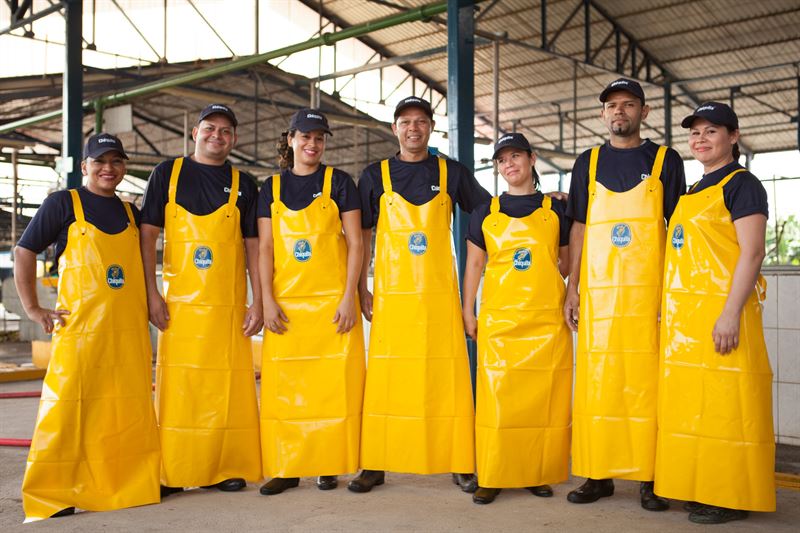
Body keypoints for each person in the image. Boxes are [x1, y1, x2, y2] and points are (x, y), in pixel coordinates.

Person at [349, 96, 490, 493]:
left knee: (446, 379)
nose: (414, 128)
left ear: (431, 127)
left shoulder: (451, 172)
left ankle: (459, 462)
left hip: (438, 298)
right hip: (392, 299)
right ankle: (375, 463)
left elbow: (488, 211)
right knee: (387, 380)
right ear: (394, 128)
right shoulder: (374, 175)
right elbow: (360, 236)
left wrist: (543, 200)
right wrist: (361, 288)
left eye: (421, 121)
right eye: (406, 121)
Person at [16, 134, 160, 521]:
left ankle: (127, 484)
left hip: (127, 333)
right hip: (79, 332)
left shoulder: (131, 213)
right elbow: (24, 250)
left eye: (116, 161)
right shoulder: (63, 204)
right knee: (67, 410)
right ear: (84, 167)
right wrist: (33, 307)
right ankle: (54, 493)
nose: (108, 168)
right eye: (99, 161)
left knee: (123, 411)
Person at [563, 78, 685, 510]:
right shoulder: (588, 162)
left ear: (644, 112)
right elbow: (578, 227)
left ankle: (651, 478)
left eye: (629, 104)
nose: (620, 111)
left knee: (646, 385)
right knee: (599, 384)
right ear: (602, 114)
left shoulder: (665, 160)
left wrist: (673, 291)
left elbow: (678, 228)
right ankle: (597, 474)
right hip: (598, 296)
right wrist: (573, 287)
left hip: (647, 295)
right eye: (612, 105)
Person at [655, 102, 774, 524]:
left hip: (724, 314)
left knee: (728, 407)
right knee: (698, 407)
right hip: (687, 324)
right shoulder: (692, 191)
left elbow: (753, 252)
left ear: (733, 137)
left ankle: (731, 495)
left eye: (711, 131)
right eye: (695, 132)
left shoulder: (742, 185)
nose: (701, 139)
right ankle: (705, 486)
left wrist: (730, 313)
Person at [140, 104, 262, 496]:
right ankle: (172, 471)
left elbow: (254, 247)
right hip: (178, 308)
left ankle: (222, 467)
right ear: (195, 132)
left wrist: (258, 301)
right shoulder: (167, 174)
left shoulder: (245, 184)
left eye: (226, 131)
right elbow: (147, 236)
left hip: (227, 307)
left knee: (223, 389)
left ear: (234, 139)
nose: (217, 136)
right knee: (180, 390)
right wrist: (151, 293)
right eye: (210, 128)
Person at [257, 109, 365, 495]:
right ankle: (287, 468)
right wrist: (266, 300)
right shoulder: (270, 188)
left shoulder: (340, 183)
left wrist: (350, 297)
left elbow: (356, 244)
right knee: (286, 390)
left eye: (319, 138)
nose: (313, 144)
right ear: (291, 140)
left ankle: (327, 465)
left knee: (331, 390)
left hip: (331, 307)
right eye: (305, 136)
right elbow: (265, 248)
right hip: (287, 307)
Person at [462, 133, 573, 505]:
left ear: (532, 159)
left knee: (540, 402)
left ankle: (535, 473)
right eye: (502, 160)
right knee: (497, 401)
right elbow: (474, 265)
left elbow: (566, 261)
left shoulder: (556, 210)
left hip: (545, 322)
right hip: (501, 323)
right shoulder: (485, 213)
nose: (509, 164)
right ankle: (492, 474)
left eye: (515, 156)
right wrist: (467, 309)